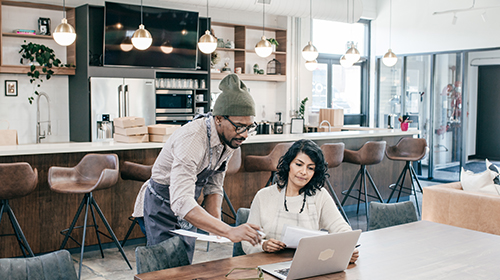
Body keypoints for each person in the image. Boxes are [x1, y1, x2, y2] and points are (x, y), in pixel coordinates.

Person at [133, 74, 262, 263]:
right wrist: (228, 230)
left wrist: (216, 224)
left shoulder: (230, 139)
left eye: (249, 127)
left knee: (184, 264)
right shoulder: (193, 139)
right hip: (161, 207)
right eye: (239, 126)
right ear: (218, 119)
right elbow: (180, 201)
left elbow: (214, 186)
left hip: (187, 208)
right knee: (165, 268)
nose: (244, 135)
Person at [242, 139, 359, 263]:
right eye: (299, 164)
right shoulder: (263, 196)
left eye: (310, 168)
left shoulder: (320, 195)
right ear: (288, 165)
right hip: (268, 265)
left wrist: (348, 249)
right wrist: (264, 245)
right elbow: (247, 242)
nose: (303, 172)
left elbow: (341, 228)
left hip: (309, 264)